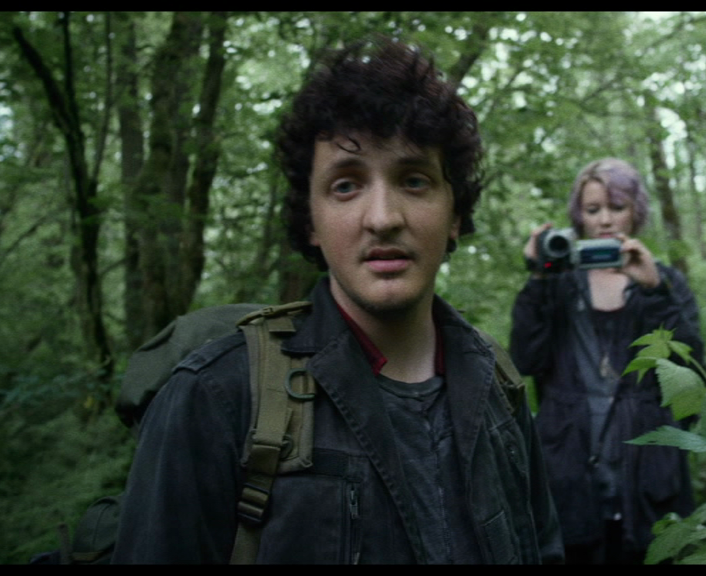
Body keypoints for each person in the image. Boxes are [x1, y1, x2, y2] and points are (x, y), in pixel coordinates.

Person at [112, 39, 563, 564]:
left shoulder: (498, 384)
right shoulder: (215, 396)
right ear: (310, 222)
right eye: (346, 186)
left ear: (455, 214)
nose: (383, 218)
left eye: (414, 180)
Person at [509, 158, 703, 564]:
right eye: (593, 209)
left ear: (636, 211)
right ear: (578, 215)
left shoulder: (664, 280)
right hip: (570, 472)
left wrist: (654, 291)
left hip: (650, 476)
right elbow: (526, 359)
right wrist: (539, 277)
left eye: (617, 207)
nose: (605, 220)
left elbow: (690, 377)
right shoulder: (558, 283)